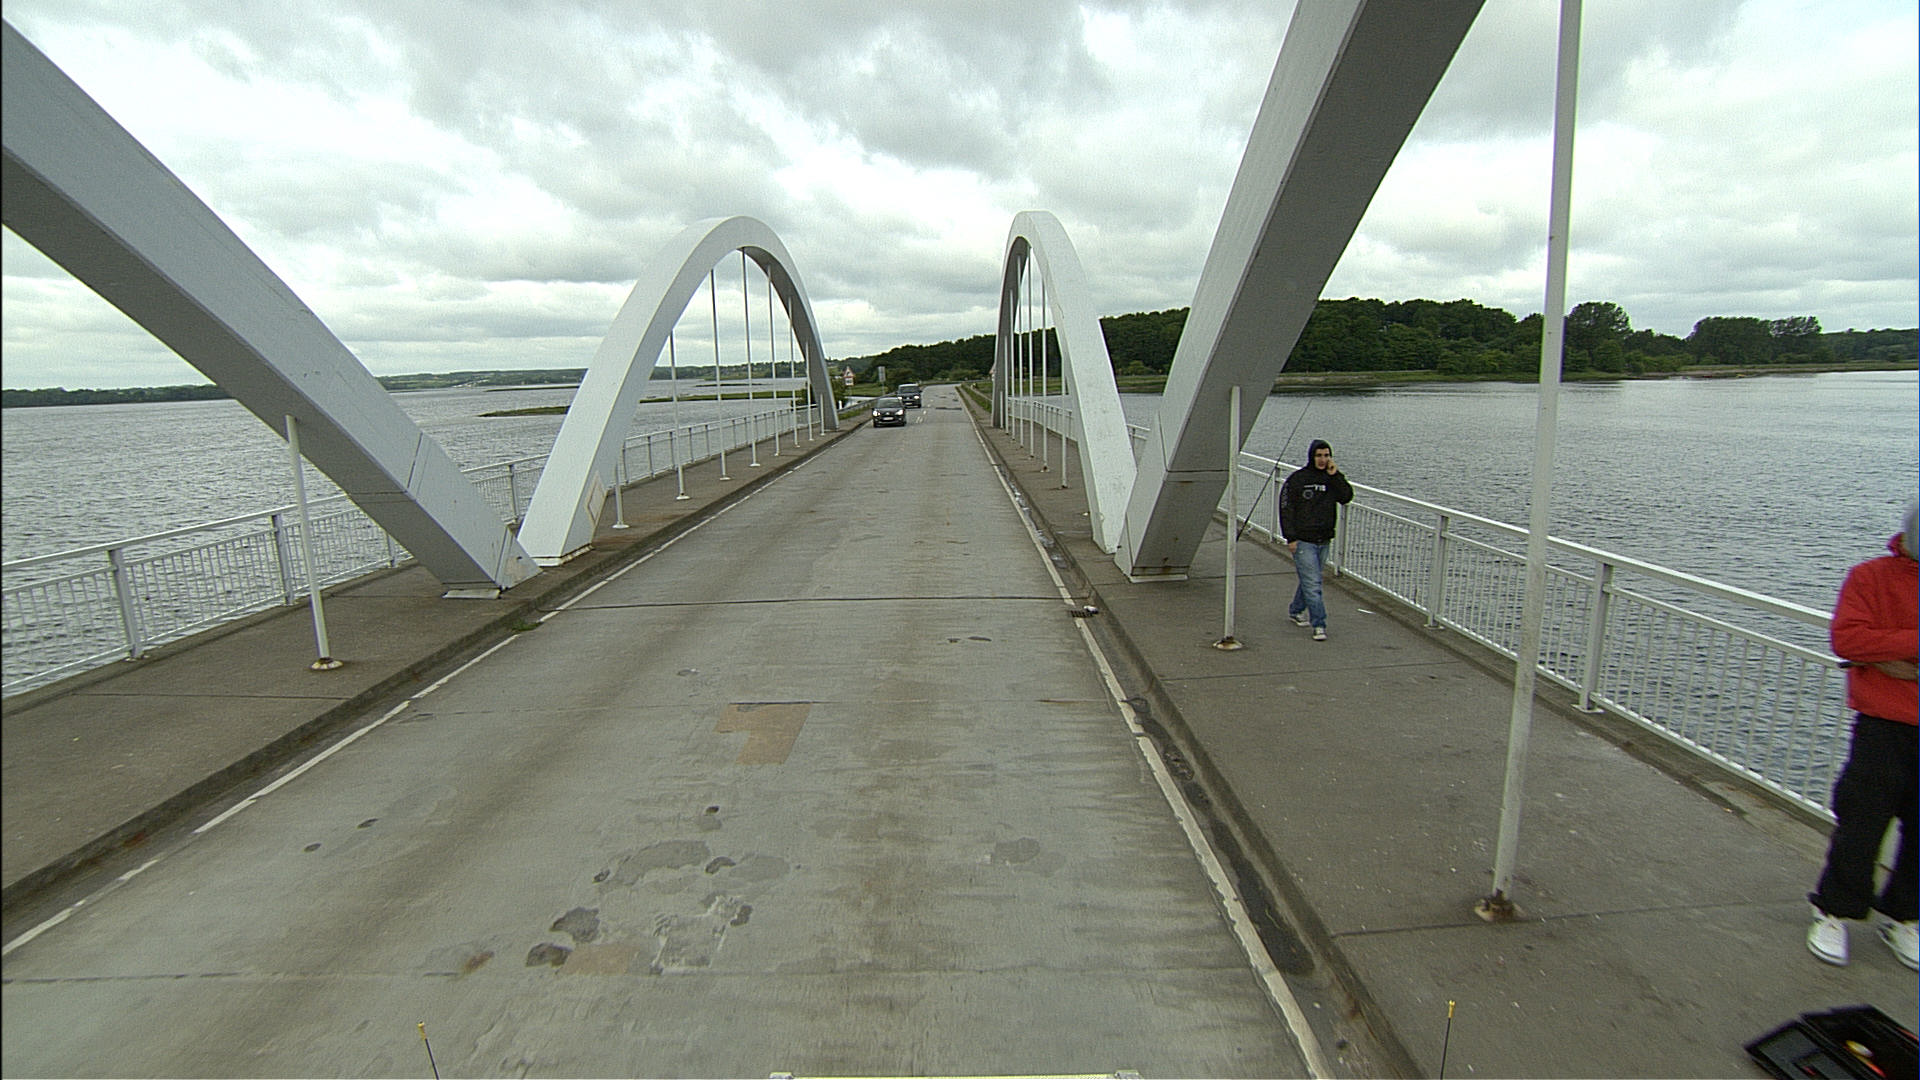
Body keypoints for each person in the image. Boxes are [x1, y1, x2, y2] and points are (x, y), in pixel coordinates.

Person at [1806, 501, 1917, 969]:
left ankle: (1907, 917)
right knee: (1862, 822)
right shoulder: (1870, 577)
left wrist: (1892, 655)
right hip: (1883, 726)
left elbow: (1867, 646)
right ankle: (1834, 911)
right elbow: (1849, 640)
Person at [1278, 439, 1353, 641]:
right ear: (1312, 456)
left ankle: (1296, 610)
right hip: (1303, 540)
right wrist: (1290, 537)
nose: (1322, 459)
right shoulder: (1297, 479)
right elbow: (1286, 509)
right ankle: (1319, 624)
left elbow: (1346, 496)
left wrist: (1336, 476)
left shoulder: (1332, 479)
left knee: (1310, 578)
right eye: (1319, 455)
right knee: (1313, 583)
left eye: (1326, 455)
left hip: (1324, 539)